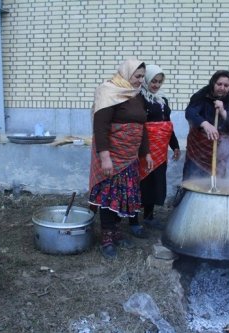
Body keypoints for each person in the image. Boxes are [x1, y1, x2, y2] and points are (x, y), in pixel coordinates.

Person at [88, 59, 153, 259]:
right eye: (137, 76)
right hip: (112, 155)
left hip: (130, 156)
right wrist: (105, 157)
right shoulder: (108, 92)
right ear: (126, 74)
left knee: (123, 195)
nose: (141, 81)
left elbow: (142, 128)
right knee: (109, 195)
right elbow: (101, 127)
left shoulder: (137, 96)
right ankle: (106, 238)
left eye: (143, 77)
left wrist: (146, 153)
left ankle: (116, 232)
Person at [128, 64, 181, 230]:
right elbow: (140, 126)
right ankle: (134, 221)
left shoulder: (162, 100)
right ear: (146, 80)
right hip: (144, 149)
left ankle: (149, 217)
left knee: (154, 183)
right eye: (153, 81)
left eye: (159, 82)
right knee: (140, 183)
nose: (156, 85)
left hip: (160, 151)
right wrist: (145, 151)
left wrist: (175, 146)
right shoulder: (139, 99)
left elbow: (167, 125)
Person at [183, 70, 229, 180]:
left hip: (221, 154)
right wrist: (205, 124)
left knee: (216, 185)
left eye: (226, 85)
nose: (222, 88)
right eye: (219, 84)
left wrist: (223, 112)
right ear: (213, 83)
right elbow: (190, 112)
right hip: (197, 152)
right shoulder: (201, 96)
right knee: (191, 182)